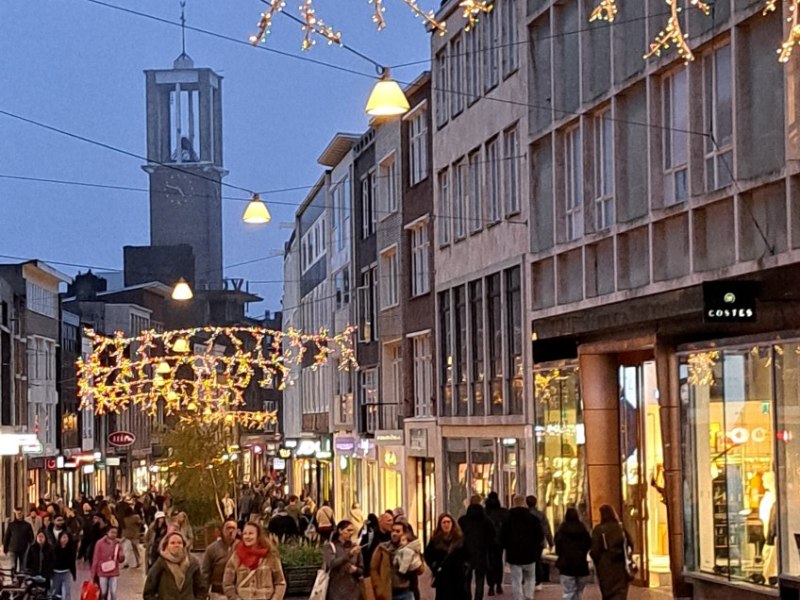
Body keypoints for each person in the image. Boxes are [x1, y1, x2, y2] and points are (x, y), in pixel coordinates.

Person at [222, 521, 286, 600]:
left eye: (251, 533)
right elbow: (227, 584)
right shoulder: (236, 557)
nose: (247, 536)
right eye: (245, 533)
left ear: (258, 536)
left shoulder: (270, 556)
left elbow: (280, 582)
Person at [500, 496, 544, 600]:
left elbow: (502, 537)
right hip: (530, 554)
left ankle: (518, 598)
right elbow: (539, 536)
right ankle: (529, 596)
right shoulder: (533, 519)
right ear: (524, 503)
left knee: (516, 579)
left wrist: (507, 547)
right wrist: (535, 547)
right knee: (530, 577)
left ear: (514, 503)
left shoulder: (508, 519)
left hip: (514, 555)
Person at [369, 519, 425, 600]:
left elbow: (420, 570)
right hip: (387, 593)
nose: (394, 534)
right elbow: (373, 568)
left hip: (406, 592)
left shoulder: (411, 549)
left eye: (398, 531)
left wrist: (409, 553)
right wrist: (378, 588)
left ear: (404, 534)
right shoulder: (382, 548)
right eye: (393, 531)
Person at [143, 531, 205, 600]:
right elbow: (148, 592)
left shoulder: (192, 563)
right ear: (166, 545)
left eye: (179, 543)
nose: (176, 545)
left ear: (184, 545)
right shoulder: (161, 563)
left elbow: (201, 588)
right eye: (172, 543)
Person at [590, 505, 632, 600]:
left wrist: (598, 562)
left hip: (605, 568)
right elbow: (630, 544)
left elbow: (594, 550)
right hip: (621, 568)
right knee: (620, 593)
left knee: (608, 595)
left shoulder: (598, 530)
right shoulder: (620, 528)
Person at [424, 514, 470, 600]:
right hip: (442, 577)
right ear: (440, 525)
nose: (446, 524)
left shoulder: (460, 539)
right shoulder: (435, 540)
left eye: (448, 522)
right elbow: (428, 555)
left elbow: (467, 555)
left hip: (458, 576)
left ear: (452, 523)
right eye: (444, 522)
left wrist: (465, 567)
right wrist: (434, 566)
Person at [458, 495, 495, 600]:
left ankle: (467, 597)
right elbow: (492, 536)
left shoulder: (463, 520)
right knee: (480, 579)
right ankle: (478, 598)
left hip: (466, 553)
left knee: (466, 578)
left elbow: (458, 536)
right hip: (481, 553)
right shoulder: (486, 521)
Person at [554, 508, 592, 600]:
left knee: (568, 592)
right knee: (578, 592)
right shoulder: (583, 529)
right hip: (581, 565)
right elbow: (588, 544)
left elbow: (558, 547)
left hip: (566, 565)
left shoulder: (561, 530)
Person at [323, 520, 364, 600]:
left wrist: (356, 570)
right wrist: (349, 554)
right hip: (336, 591)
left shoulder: (355, 547)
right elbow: (331, 564)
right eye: (348, 530)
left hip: (353, 592)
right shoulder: (330, 547)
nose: (351, 533)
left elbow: (362, 569)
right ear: (340, 531)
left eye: (352, 531)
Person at [202, 520, 238, 600]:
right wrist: (204, 594)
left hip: (237, 593)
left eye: (233, 528)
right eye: (228, 528)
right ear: (222, 530)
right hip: (218, 593)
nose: (231, 531)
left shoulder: (242, 548)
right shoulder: (211, 549)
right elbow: (205, 574)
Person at [526, 496, 554, 591]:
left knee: (528, 561)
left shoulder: (525, 514)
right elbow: (546, 529)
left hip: (527, 542)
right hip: (539, 542)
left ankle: (529, 580)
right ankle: (538, 581)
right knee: (537, 561)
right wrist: (551, 542)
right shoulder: (541, 515)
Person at [484, 492, 508, 596]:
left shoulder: (485, 513)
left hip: (488, 541)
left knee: (489, 562)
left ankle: (491, 586)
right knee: (498, 562)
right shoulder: (503, 512)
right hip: (500, 541)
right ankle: (498, 584)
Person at [90, 525, 124, 600]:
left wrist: (121, 553)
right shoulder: (99, 543)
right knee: (103, 592)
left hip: (113, 571)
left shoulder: (118, 543)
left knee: (113, 592)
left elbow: (121, 559)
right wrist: (93, 575)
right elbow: (95, 559)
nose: (114, 534)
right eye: (112, 532)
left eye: (115, 533)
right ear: (107, 532)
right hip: (102, 571)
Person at [363, 512, 394, 577]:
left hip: (387, 573)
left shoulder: (392, 536)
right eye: (389, 520)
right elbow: (364, 553)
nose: (392, 523)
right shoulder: (371, 535)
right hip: (372, 573)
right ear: (380, 521)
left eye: (392, 520)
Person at [3, 507, 34, 572]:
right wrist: (5, 548)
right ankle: (13, 579)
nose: (19, 515)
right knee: (13, 566)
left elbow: (31, 538)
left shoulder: (27, 525)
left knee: (23, 567)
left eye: (20, 513)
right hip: (12, 548)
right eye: (17, 514)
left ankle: (21, 580)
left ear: (22, 514)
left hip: (23, 548)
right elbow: (7, 536)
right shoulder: (11, 525)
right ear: (15, 514)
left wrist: (31, 547)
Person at [52, 531, 77, 600]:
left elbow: (72, 563)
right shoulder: (54, 549)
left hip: (66, 573)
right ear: (59, 538)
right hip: (55, 573)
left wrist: (74, 574)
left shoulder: (71, 549)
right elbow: (51, 561)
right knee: (55, 593)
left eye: (66, 537)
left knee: (66, 593)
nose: (65, 539)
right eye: (63, 537)